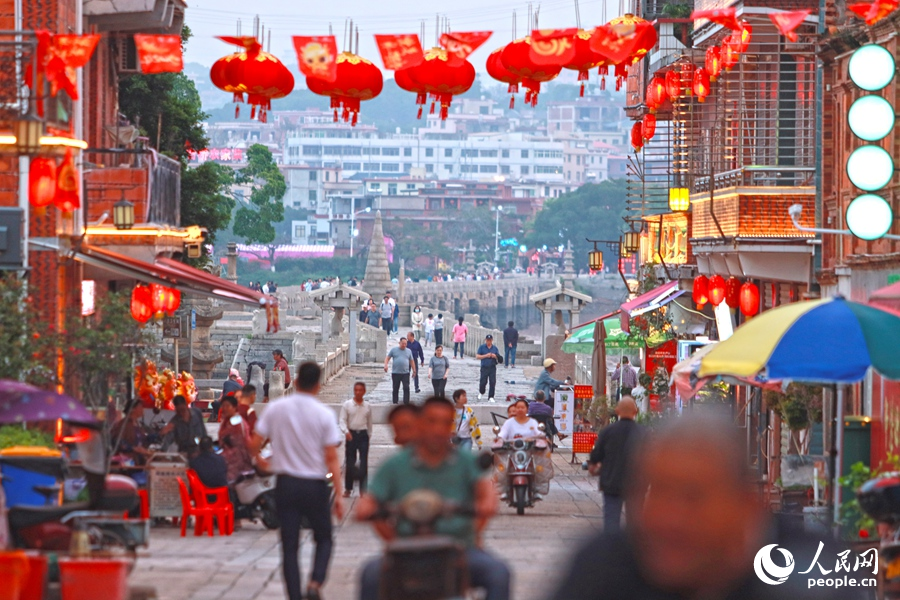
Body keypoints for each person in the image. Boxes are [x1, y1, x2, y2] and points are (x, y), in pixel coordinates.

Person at [549, 416, 866, 600]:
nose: (669, 518)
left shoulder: (814, 573)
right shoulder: (604, 569)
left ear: (746, 504)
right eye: (655, 492)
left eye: (693, 496)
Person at [356, 397, 510, 600]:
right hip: (406, 551)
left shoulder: (466, 462)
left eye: (446, 422)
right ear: (420, 423)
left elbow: (485, 491)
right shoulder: (394, 465)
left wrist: (487, 504)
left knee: (499, 573)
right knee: (370, 574)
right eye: (432, 421)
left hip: (458, 551)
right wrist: (367, 509)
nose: (438, 429)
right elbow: (371, 498)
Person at [249, 362, 344, 600]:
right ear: (318, 386)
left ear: (297, 380)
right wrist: (340, 495)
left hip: (286, 484)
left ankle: (294, 596)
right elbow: (332, 458)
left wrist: (261, 461)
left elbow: (253, 443)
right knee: (324, 538)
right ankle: (315, 582)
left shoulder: (277, 408)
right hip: (315, 485)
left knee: (289, 545)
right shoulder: (324, 414)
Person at [587, 397, 641, 533]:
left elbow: (596, 454)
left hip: (611, 482)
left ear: (617, 411)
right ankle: (633, 551)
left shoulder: (608, 431)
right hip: (636, 485)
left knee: (611, 520)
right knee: (635, 522)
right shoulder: (643, 433)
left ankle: (611, 550)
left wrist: (593, 464)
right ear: (636, 411)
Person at [339, 382, 373, 498]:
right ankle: (348, 488)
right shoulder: (347, 405)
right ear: (354, 391)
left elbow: (369, 422)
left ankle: (363, 490)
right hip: (351, 434)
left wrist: (369, 434)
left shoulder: (367, 406)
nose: (358, 392)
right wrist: (346, 431)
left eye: (360, 390)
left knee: (363, 463)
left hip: (363, 435)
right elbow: (342, 420)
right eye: (356, 390)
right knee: (350, 462)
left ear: (364, 391)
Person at [218, 396, 253, 484]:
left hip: (239, 457)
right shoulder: (226, 421)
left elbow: (240, 442)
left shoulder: (237, 421)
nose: (225, 409)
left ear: (234, 407)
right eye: (223, 406)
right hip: (228, 454)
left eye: (227, 406)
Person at [110, 402, 152, 466]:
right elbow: (117, 441)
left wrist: (160, 434)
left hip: (138, 461)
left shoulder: (138, 424)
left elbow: (144, 441)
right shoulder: (123, 424)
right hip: (127, 462)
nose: (143, 409)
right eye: (140, 407)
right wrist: (133, 448)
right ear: (133, 409)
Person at [384, 337, 415, 405]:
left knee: (406, 387)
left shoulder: (409, 351)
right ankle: (395, 401)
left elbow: (411, 361)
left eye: (405, 344)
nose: (404, 345)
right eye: (403, 343)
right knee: (395, 388)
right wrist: (386, 365)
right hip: (396, 372)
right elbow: (387, 358)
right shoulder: (394, 350)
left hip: (405, 373)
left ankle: (406, 402)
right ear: (399, 343)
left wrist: (414, 370)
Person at [475, 334, 501, 402]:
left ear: (492, 340)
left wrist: (494, 356)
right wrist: (486, 356)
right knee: (483, 381)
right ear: (485, 340)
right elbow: (477, 356)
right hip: (484, 367)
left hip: (492, 367)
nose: (488, 341)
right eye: (487, 340)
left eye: (490, 340)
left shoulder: (495, 348)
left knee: (492, 382)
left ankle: (491, 396)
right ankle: (481, 392)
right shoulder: (482, 347)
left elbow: (498, 357)